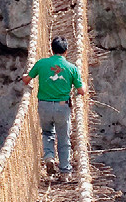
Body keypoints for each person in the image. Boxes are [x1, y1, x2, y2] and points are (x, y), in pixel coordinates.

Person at [22, 36, 84, 178]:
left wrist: (24, 76)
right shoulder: (72, 68)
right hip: (62, 106)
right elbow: (81, 91)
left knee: (47, 133)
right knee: (63, 138)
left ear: (52, 50)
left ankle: (49, 157)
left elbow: (27, 80)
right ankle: (65, 171)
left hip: (44, 105)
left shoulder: (41, 63)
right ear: (66, 51)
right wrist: (84, 86)